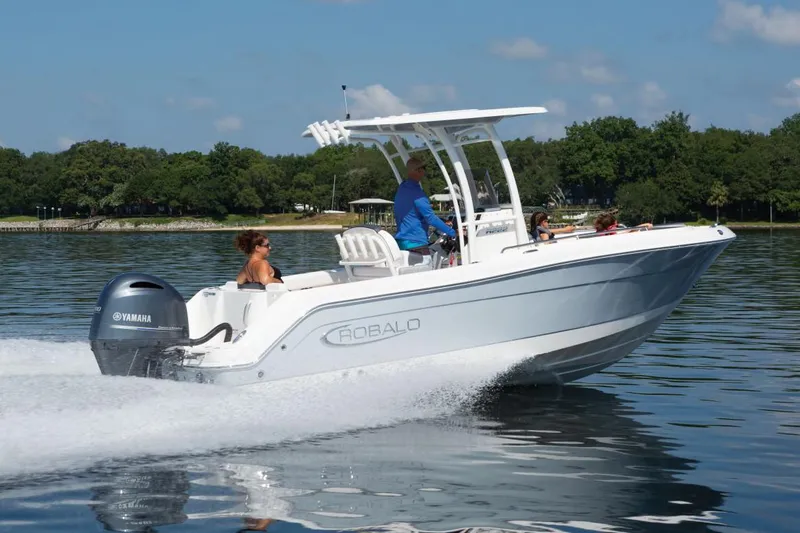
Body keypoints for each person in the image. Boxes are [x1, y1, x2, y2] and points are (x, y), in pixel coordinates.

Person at [393, 157, 457, 252]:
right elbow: (431, 218)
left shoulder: (402, 188)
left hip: (400, 243)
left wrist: (443, 222)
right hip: (416, 244)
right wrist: (453, 232)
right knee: (429, 263)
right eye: (423, 168)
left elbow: (414, 214)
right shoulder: (418, 195)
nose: (424, 172)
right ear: (418, 170)